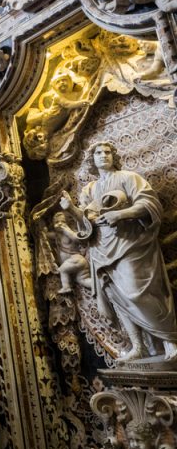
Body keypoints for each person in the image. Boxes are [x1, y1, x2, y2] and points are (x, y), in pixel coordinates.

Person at [60, 142, 177, 361]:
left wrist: (121, 215)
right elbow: (87, 225)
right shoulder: (89, 190)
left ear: (114, 156)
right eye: (98, 153)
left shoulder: (128, 178)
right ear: (92, 160)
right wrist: (72, 211)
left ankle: (170, 340)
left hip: (131, 244)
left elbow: (150, 204)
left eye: (107, 152)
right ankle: (137, 346)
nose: (103, 155)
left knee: (138, 291)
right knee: (117, 296)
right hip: (101, 249)